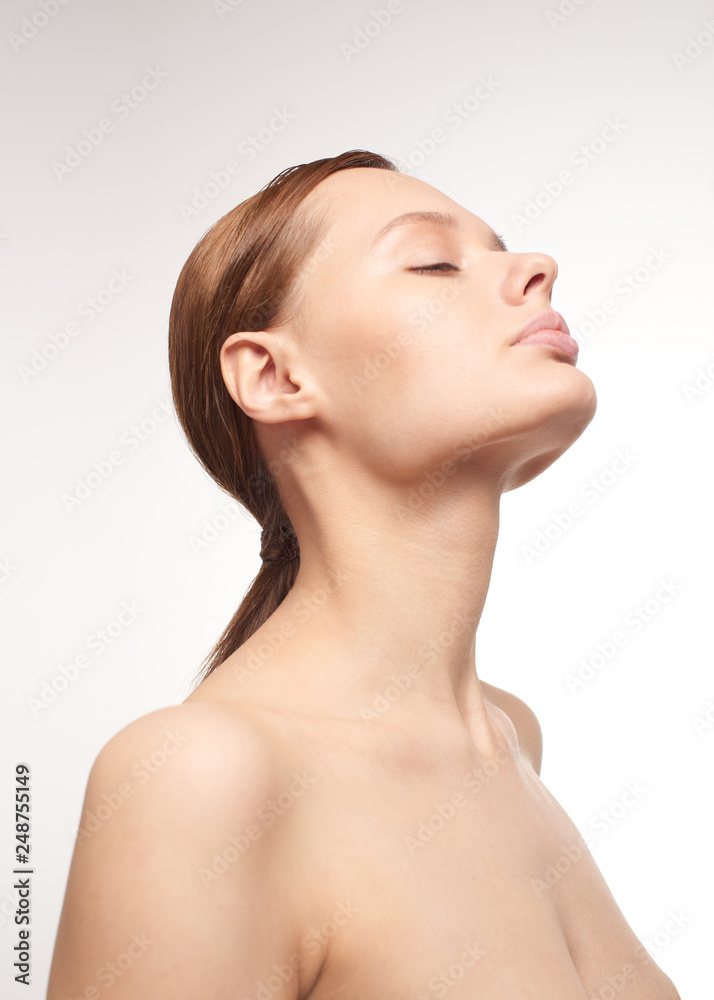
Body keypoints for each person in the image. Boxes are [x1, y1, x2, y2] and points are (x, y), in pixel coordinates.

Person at [47, 150, 681, 999]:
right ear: (273, 376)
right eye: (433, 262)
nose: (539, 267)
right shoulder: (198, 776)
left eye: (503, 246)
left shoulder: (511, 740)